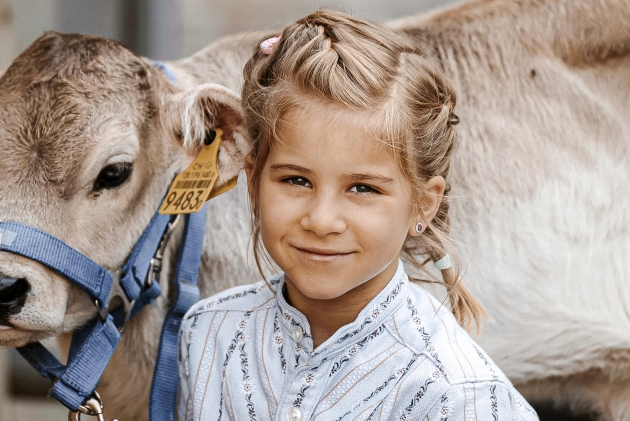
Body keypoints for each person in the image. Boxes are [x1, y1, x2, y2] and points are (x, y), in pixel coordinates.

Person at [177, 10, 538, 421]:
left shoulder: (459, 395)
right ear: (254, 181)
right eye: (296, 180)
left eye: (362, 188)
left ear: (423, 203)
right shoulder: (207, 334)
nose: (322, 220)